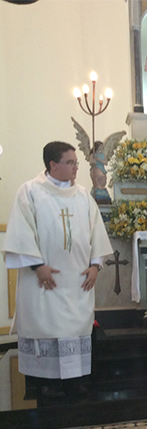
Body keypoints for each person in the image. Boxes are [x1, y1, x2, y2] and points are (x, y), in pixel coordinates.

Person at [1, 141, 113, 397]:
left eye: (76, 162)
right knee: (45, 327)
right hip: (43, 281)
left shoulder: (83, 196)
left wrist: (96, 266)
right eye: (70, 162)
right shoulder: (30, 192)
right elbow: (21, 233)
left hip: (77, 282)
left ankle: (73, 381)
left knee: (73, 331)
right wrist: (38, 266)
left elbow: (97, 233)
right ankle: (46, 383)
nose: (76, 167)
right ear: (53, 165)